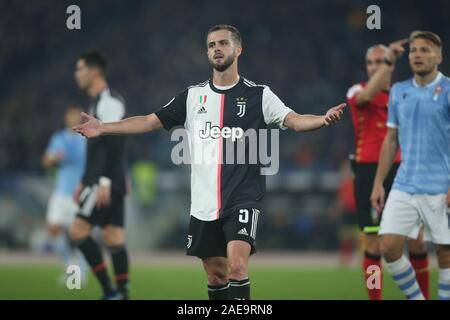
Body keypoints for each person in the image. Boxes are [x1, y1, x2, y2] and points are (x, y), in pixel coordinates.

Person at [73, 25, 345, 300]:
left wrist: (321, 119)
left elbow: (295, 120)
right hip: (204, 203)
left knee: (237, 267)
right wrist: (103, 127)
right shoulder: (192, 97)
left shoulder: (259, 95)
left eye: (223, 43)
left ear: (238, 49)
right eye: (212, 44)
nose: (217, 48)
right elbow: (147, 121)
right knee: (216, 273)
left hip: (243, 196)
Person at [371, 31, 450, 300]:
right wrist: (379, 183)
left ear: (439, 57)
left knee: (445, 252)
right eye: (414, 50)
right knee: (388, 247)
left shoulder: (449, 90)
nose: (417, 54)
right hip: (404, 185)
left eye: (425, 50)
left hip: (440, 186)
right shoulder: (399, 91)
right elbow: (390, 140)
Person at [347, 41, 429, 299]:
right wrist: (388, 60)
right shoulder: (357, 91)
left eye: (379, 61)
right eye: (370, 62)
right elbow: (367, 96)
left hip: (403, 173)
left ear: (391, 66)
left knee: (416, 240)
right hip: (368, 173)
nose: (374, 67)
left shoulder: (404, 95)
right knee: (374, 244)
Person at [70, 51, 129, 300]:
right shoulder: (97, 103)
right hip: (106, 179)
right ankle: (122, 294)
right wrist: (84, 179)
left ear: (94, 72)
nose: (76, 75)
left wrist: (102, 181)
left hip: (103, 181)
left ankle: (109, 291)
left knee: (77, 232)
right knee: (113, 238)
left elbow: (114, 141)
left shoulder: (109, 102)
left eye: (80, 69)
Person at [42, 106, 87, 284]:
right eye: (70, 116)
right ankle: (70, 265)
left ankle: (81, 270)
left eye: (76, 116)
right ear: (66, 118)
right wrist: (53, 159)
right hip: (61, 191)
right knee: (53, 229)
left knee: (80, 234)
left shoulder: (88, 138)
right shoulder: (58, 138)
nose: (73, 119)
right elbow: (46, 160)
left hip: (80, 193)